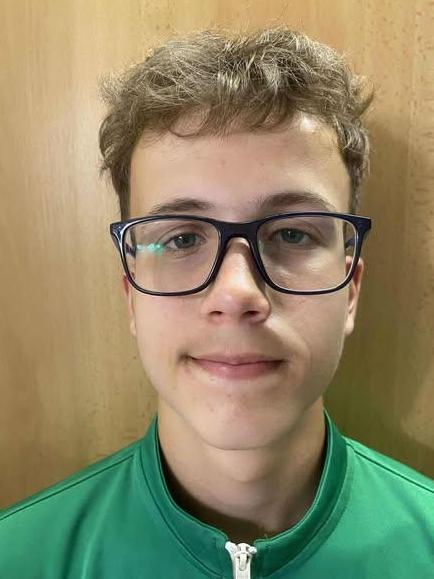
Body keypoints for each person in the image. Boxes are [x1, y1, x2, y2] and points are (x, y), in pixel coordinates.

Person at [1, 27, 433, 579]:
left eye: (293, 233)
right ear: (131, 294)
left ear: (350, 288)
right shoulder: (18, 559)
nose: (236, 293)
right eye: (182, 238)